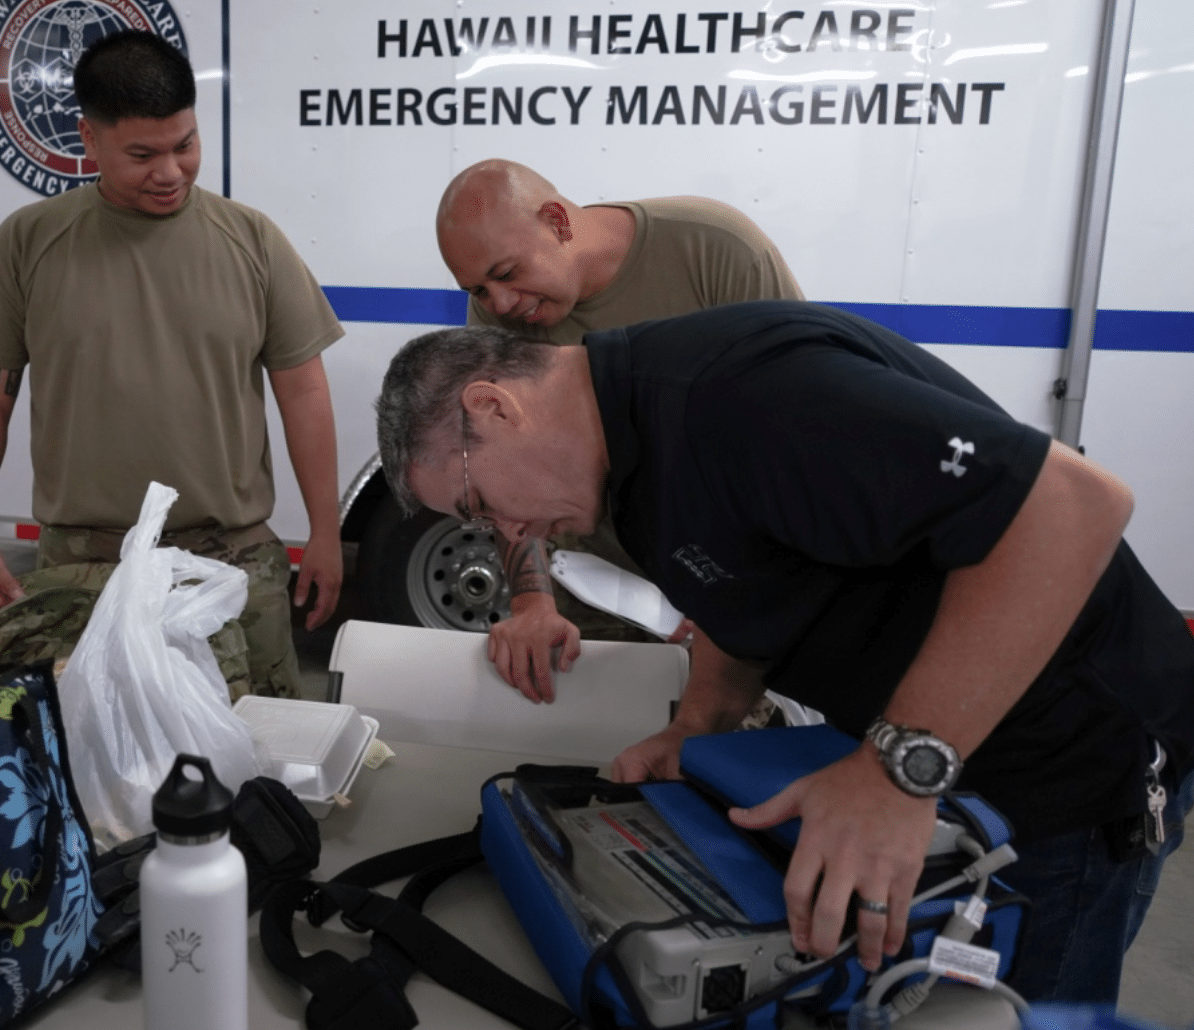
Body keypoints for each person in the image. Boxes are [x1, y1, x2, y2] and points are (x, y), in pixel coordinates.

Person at [374, 304, 1194, 1005]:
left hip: (1066, 764)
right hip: (944, 762)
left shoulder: (743, 395)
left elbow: (1071, 504)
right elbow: (739, 587)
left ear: (495, 407)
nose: (509, 537)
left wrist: (897, 768)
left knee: (1011, 1011)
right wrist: (698, 725)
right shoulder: (626, 457)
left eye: (482, 507)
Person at [0, 30, 344, 701]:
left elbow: (303, 391)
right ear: (89, 138)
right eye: (142, 154)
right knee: (98, 775)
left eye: (184, 144)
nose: (171, 171)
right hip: (83, 566)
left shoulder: (251, 240)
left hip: (231, 561)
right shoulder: (29, 243)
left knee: (261, 764)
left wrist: (325, 533)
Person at [436, 159, 803, 701]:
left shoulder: (715, 249)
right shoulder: (495, 315)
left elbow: (793, 432)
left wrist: (744, 598)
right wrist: (533, 603)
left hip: (737, 589)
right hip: (601, 590)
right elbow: (510, 475)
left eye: (507, 274)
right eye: (479, 290)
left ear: (559, 222)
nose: (501, 304)